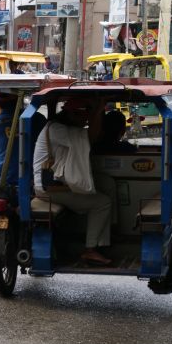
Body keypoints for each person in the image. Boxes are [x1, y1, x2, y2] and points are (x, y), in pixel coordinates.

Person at [33, 99, 112, 265]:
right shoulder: (57, 129)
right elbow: (90, 137)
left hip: (53, 187)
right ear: (73, 114)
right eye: (85, 116)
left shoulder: (59, 127)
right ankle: (91, 249)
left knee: (100, 189)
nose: (86, 121)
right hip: (50, 190)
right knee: (103, 202)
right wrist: (98, 111)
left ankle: (99, 244)